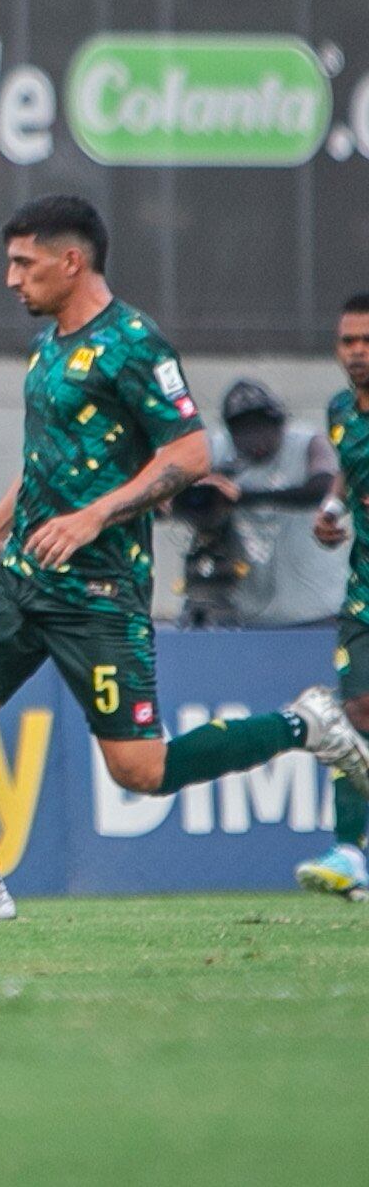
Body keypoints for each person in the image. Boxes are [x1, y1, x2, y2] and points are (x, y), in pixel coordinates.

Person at [0, 195, 369, 924]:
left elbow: (186, 452)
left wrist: (94, 516)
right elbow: (49, 456)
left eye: (23, 263)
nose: (10, 279)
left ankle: (304, 726)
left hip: (99, 588)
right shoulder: (51, 345)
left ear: (71, 260)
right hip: (27, 572)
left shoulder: (134, 344)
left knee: (140, 770)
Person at [297, 296, 369, 898]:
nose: (357, 352)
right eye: (348, 341)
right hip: (363, 592)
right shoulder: (342, 410)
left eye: (367, 340)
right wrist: (332, 508)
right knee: (352, 715)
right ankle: (349, 851)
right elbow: (350, 464)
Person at [169, 378, 342, 628]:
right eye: (243, 430)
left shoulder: (307, 443)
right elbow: (179, 500)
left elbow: (324, 488)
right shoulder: (218, 449)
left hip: (316, 609)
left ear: (279, 423)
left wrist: (244, 497)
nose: (254, 438)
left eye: (262, 427)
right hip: (247, 612)